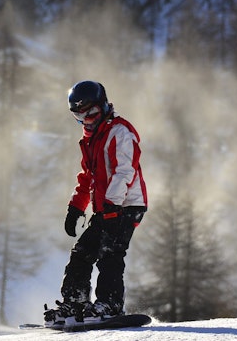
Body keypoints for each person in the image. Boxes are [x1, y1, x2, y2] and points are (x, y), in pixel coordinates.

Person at [44, 80, 148, 329]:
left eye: (91, 113)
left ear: (103, 106)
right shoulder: (91, 138)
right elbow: (87, 176)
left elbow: (125, 171)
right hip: (106, 208)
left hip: (126, 205)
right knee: (82, 252)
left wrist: (112, 206)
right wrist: (76, 207)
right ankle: (75, 302)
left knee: (110, 253)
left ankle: (110, 304)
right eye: (80, 116)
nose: (87, 120)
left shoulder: (119, 132)